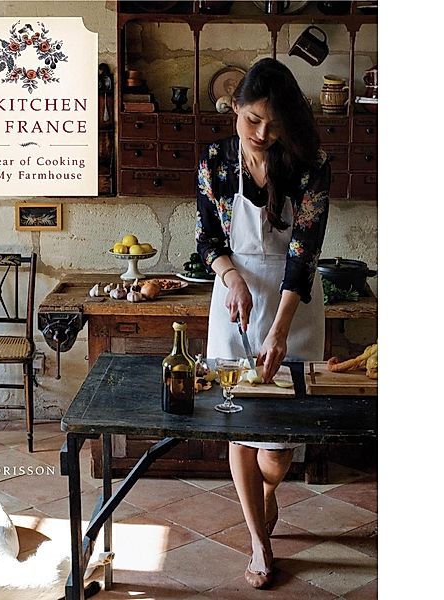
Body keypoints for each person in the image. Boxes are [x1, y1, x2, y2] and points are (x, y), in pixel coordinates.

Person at [196, 58, 330, 589]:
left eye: (273, 124)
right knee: (240, 427)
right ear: (235, 108)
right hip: (235, 301)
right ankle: (258, 539)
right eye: (252, 120)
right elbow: (209, 240)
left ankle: (269, 490)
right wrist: (231, 279)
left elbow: (305, 252)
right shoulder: (214, 161)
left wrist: (278, 327)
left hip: (293, 307)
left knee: (279, 446)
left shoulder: (309, 161)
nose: (261, 134)